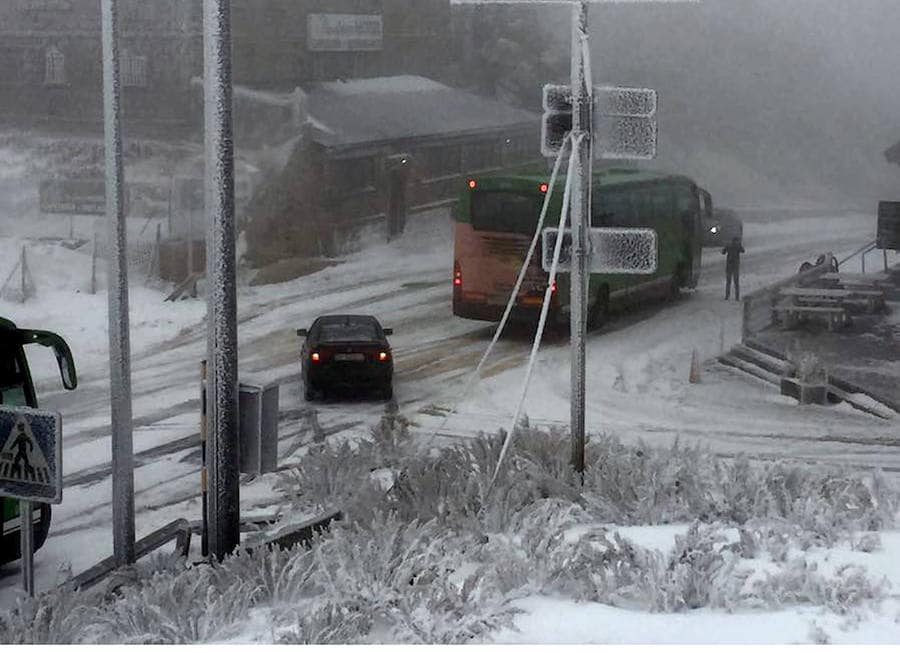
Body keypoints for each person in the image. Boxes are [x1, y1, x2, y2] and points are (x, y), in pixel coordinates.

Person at [722, 236, 745, 301]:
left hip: (729, 265)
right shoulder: (737, 246)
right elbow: (743, 251)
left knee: (728, 282)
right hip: (735, 266)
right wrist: (740, 245)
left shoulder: (729, 246)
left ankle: (727, 296)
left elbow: (723, 252)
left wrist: (725, 247)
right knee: (736, 282)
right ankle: (736, 297)